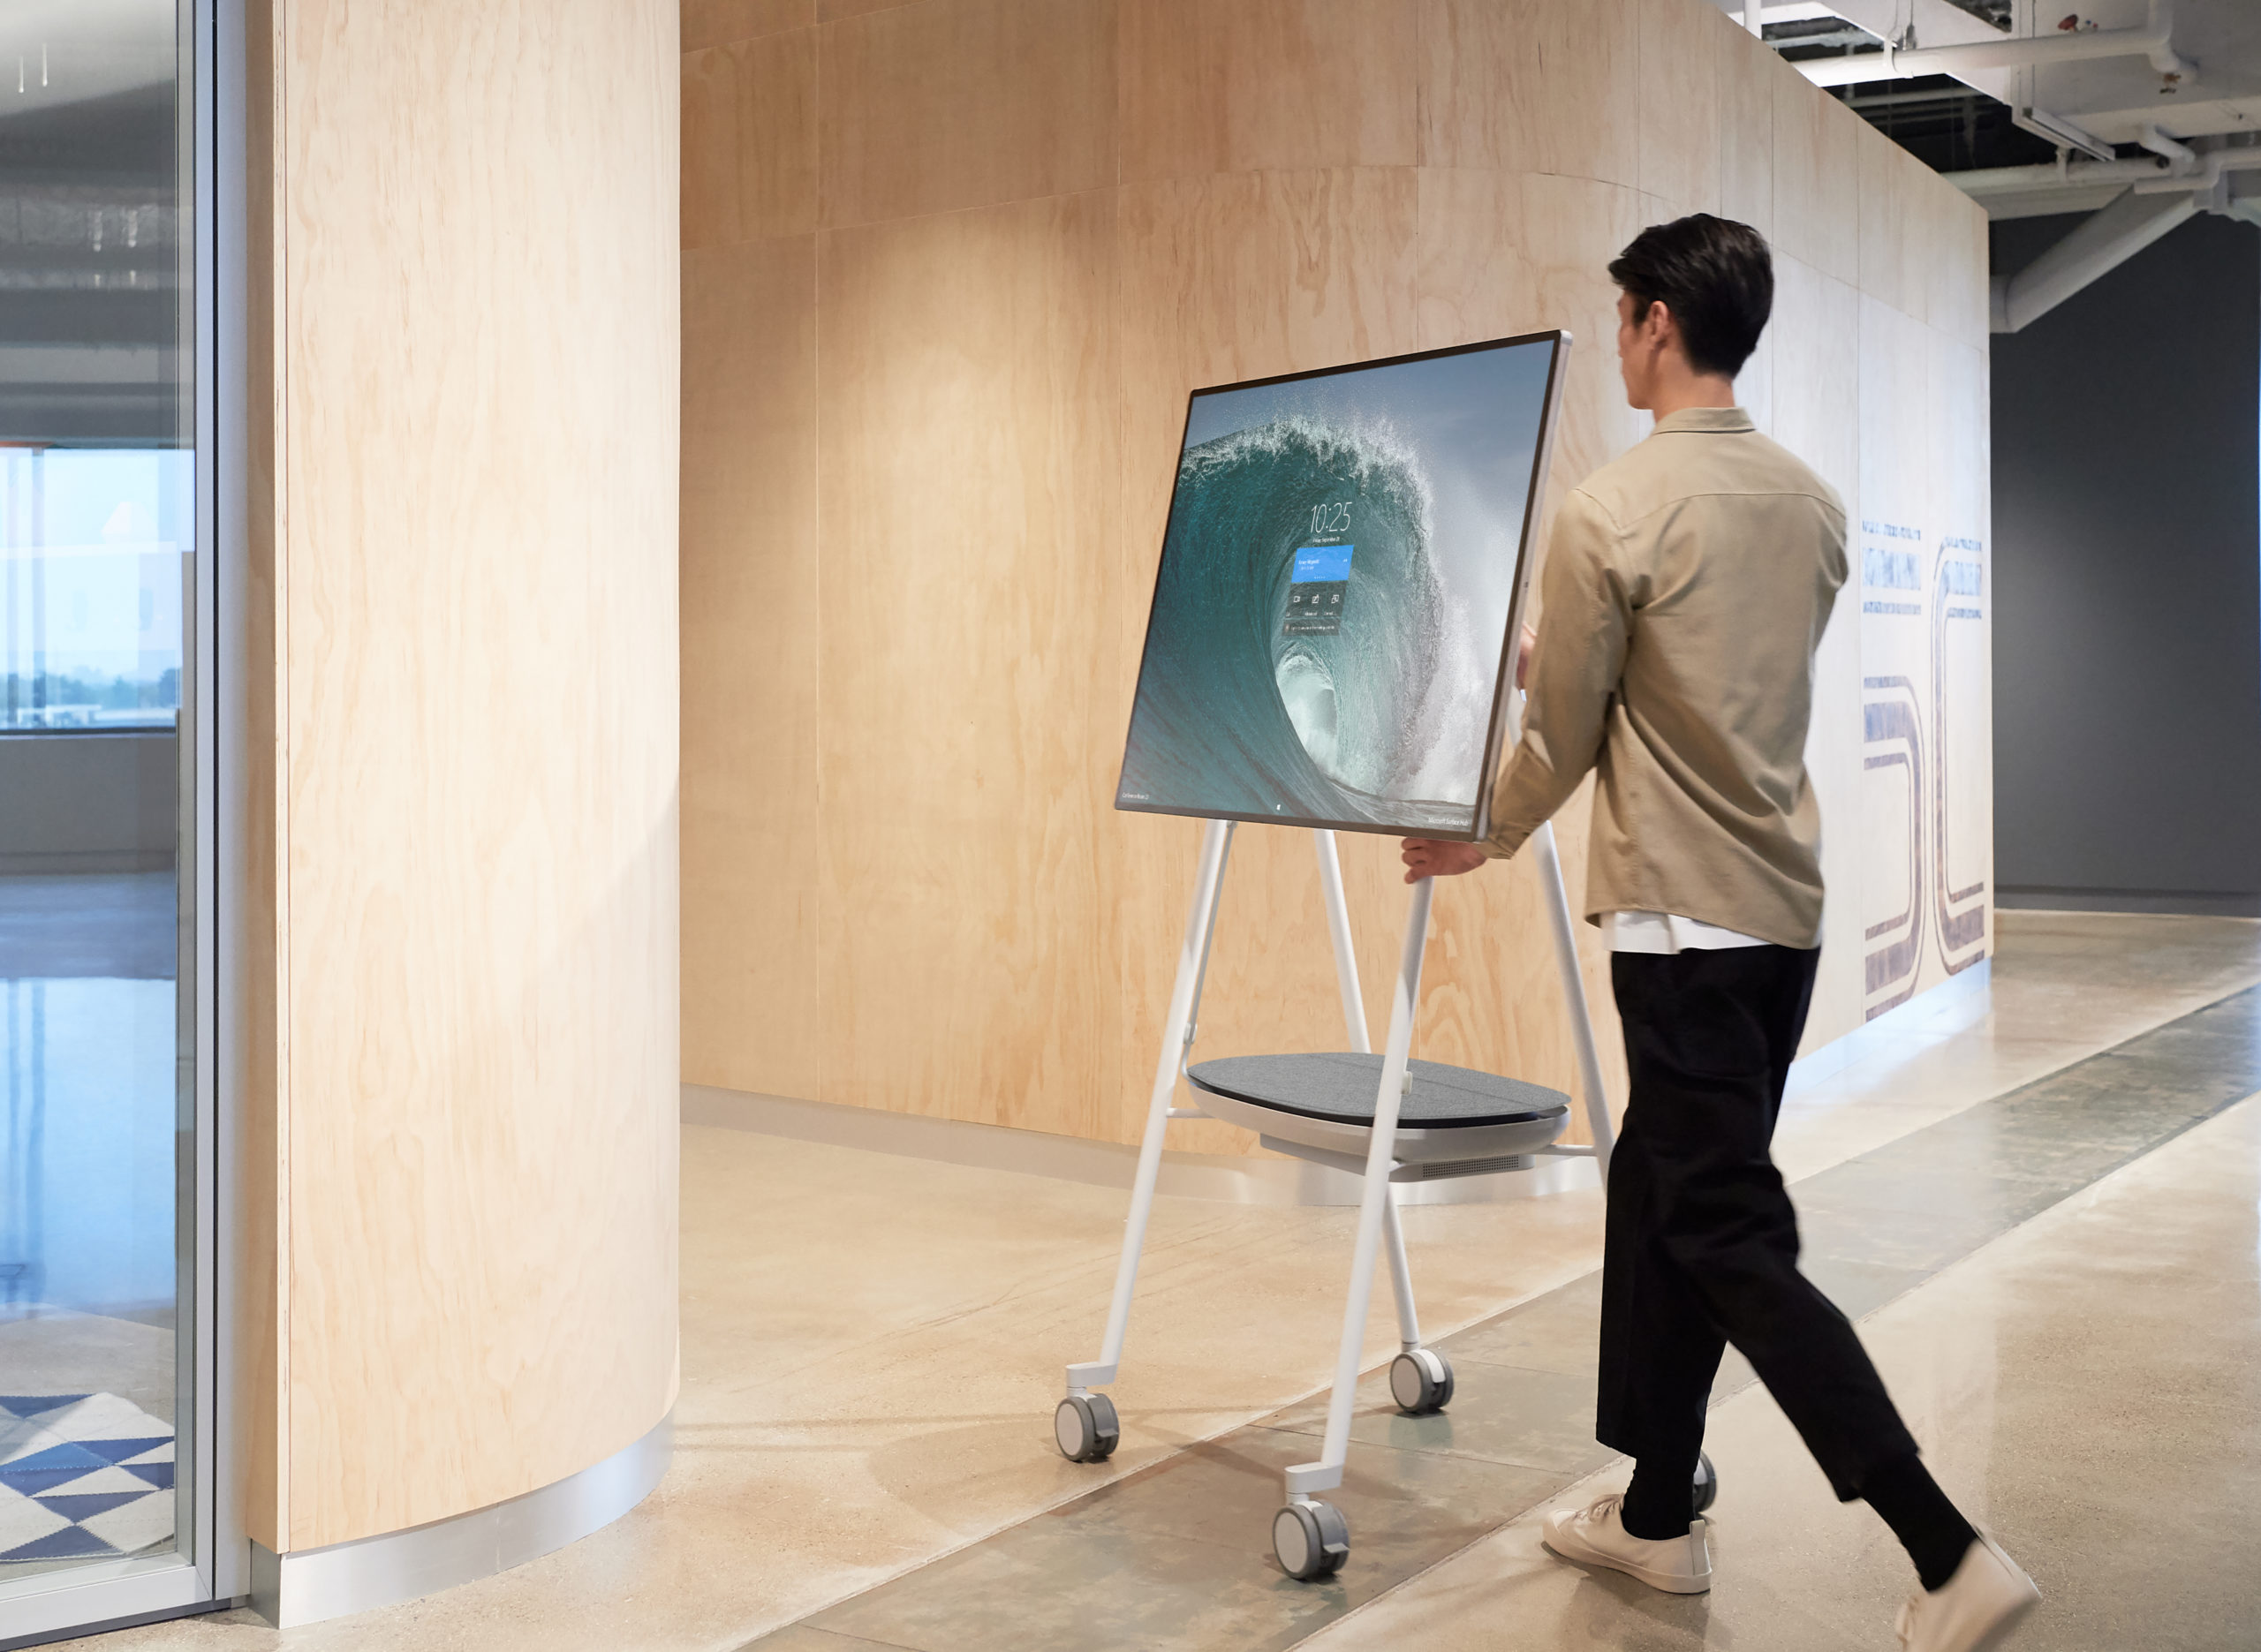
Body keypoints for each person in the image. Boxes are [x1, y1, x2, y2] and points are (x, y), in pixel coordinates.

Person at [1398, 215, 2039, 1652]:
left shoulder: (1612, 510)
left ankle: (1944, 1550)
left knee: (1727, 1232)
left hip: (1681, 927)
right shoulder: (1807, 504)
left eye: (1622, 316)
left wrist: (1482, 830)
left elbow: (1567, 727)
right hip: (1779, 921)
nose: (1620, 338)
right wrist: (1566, 653)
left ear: (1653, 322)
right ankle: (1652, 1522)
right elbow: (1703, 678)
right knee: (1665, 1195)